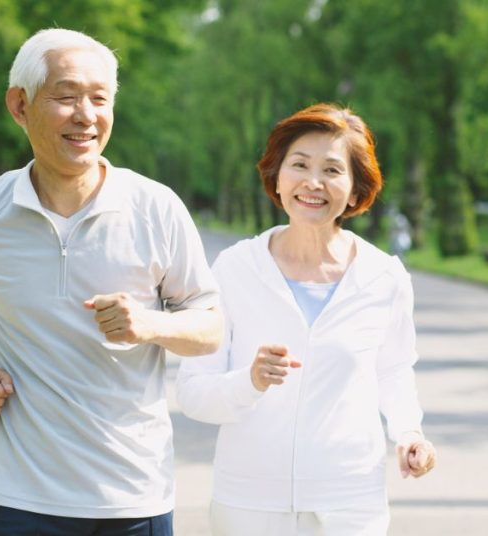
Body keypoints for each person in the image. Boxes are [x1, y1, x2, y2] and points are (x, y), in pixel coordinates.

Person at [0, 28, 223, 535]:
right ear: (19, 106)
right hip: (21, 495)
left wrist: (148, 324)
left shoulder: (156, 208)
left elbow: (212, 328)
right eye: (65, 97)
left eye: (99, 98)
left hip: (134, 493)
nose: (86, 115)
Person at [176, 103, 436, 536]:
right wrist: (251, 381)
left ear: (355, 191)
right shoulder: (235, 268)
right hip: (248, 504)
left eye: (333, 170)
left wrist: (410, 433)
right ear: (277, 178)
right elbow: (193, 392)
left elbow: (393, 371)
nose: (313, 183)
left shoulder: (383, 276)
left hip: (350, 503)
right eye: (299, 165)